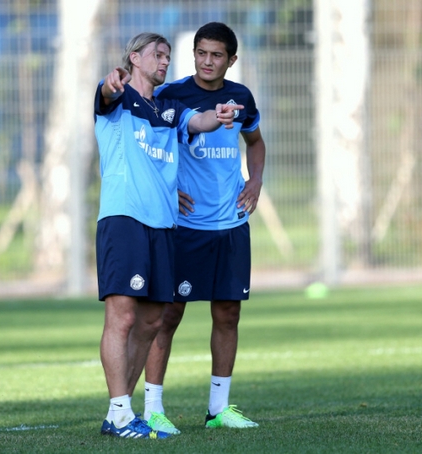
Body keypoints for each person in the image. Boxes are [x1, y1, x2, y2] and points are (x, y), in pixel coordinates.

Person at [94, 31, 242, 439]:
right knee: (122, 316)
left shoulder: (169, 108)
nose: (164, 61)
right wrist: (110, 84)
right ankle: (120, 413)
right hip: (124, 219)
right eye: (157, 54)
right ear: (134, 58)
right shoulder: (120, 98)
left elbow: (199, 121)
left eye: (167, 56)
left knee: (151, 320)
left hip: (163, 226)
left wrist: (220, 115)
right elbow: (106, 92)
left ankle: (122, 412)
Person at [142, 22, 266, 434]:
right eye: (201, 53)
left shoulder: (242, 97)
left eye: (216, 55)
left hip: (231, 223)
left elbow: (256, 142)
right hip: (185, 225)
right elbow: (145, 145)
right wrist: (166, 187)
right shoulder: (170, 95)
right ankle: (153, 409)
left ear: (232, 60)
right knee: (167, 315)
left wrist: (255, 180)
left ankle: (218, 410)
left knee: (228, 313)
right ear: (193, 54)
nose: (207, 61)